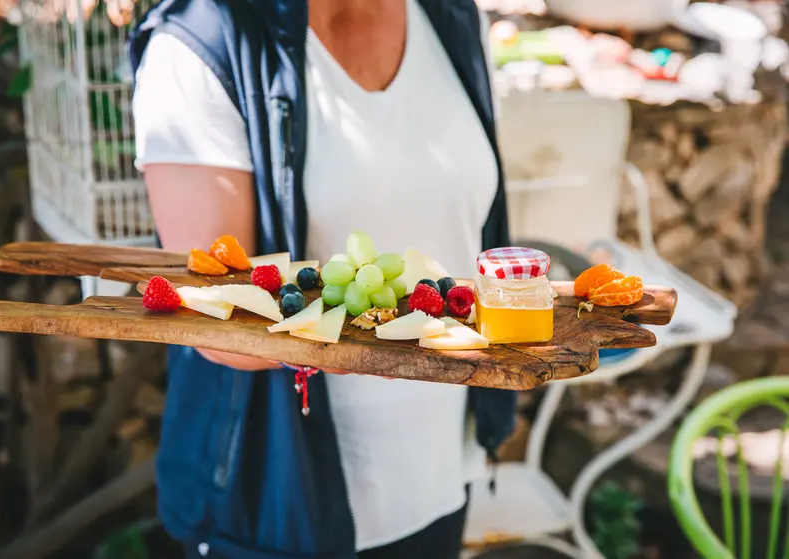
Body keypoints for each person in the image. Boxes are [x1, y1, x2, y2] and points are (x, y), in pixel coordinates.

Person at [129, 1, 518, 557]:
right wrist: (367, 336)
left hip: (440, 473)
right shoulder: (201, 41)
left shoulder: (452, 15)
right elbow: (214, 314)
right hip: (280, 502)